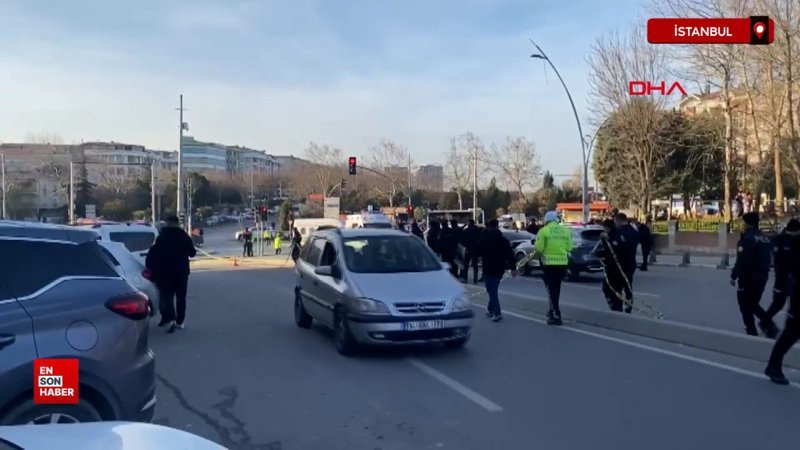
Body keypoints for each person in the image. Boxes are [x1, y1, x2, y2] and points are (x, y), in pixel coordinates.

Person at [730, 212, 779, 337]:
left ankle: (751, 332)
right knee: (753, 304)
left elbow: (742, 260)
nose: (743, 226)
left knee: (744, 304)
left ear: (748, 224)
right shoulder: (765, 238)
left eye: (744, 223)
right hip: (763, 276)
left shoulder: (747, 239)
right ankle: (769, 325)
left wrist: (734, 275)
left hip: (748, 277)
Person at [145, 215, 197, 333]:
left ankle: (170, 318)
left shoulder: (161, 237)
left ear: (167, 223)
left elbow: (153, 254)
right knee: (181, 297)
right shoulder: (184, 236)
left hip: (164, 272)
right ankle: (180, 321)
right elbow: (192, 253)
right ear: (177, 223)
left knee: (166, 296)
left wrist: (151, 268)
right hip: (181, 272)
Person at [765, 224, 800, 385]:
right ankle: (773, 366)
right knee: (790, 334)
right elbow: (786, 266)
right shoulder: (789, 243)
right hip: (798, 294)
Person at [534, 211, 573, 325]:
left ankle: (555, 313)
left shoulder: (543, 231)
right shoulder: (566, 231)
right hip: (562, 264)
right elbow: (570, 247)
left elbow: (539, 248)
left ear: (546, 220)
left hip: (549, 264)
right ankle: (553, 311)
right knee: (557, 289)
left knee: (550, 290)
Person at [477, 219, 517, 322]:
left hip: (488, 267)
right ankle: (490, 309)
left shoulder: (485, 238)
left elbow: (479, 250)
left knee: (492, 290)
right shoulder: (503, 240)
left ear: (489, 227)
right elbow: (510, 254)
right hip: (500, 267)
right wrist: (513, 268)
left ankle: (497, 312)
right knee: (493, 289)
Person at [766, 219, 800, 321]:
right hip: (783, 277)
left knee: (794, 304)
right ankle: (765, 321)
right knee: (778, 303)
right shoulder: (780, 240)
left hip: (794, 277)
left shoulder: (796, 239)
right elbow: (780, 259)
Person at [593, 219, 629, 312]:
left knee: (612, 289)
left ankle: (616, 307)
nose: (604, 230)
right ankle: (616, 306)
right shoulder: (609, 237)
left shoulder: (616, 237)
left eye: (605, 228)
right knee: (610, 289)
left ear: (609, 227)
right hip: (611, 266)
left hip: (616, 268)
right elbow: (607, 251)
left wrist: (607, 240)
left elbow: (615, 250)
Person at [614, 213, 639, 313]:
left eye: (616, 221)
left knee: (618, 285)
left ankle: (618, 306)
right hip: (631, 262)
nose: (615, 223)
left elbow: (616, 246)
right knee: (628, 284)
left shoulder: (619, 232)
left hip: (620, 263)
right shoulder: (634, 232)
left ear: (619, 220)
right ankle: (629, 304)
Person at [461, 219, 482, 284]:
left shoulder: (467, 230)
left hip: (469, 249)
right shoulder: (477, 230)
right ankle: (475, 279)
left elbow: (461, 236)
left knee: (466, 264)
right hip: (475, 249)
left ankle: (465, 278)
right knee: (475, 265)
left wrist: (465, 244)